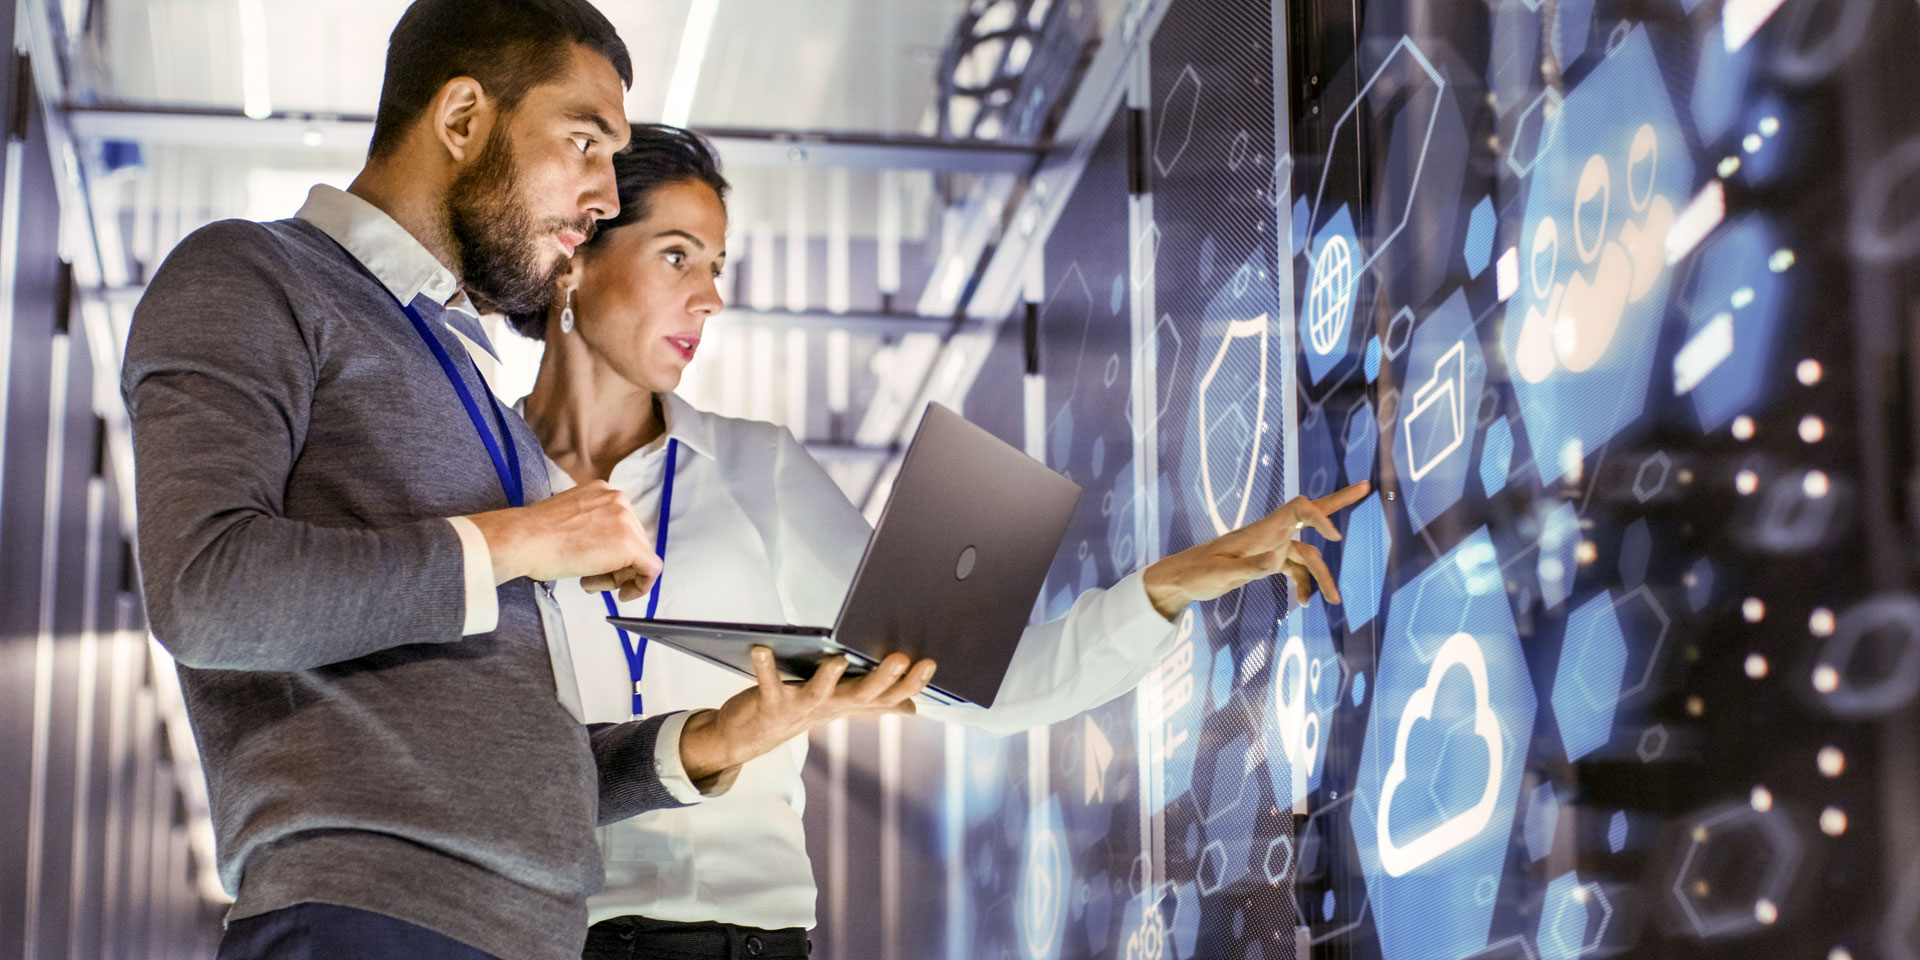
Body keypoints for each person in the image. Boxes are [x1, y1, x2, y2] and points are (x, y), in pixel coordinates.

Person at [120, 5, 931, 960]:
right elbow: (208, 592)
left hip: (528, 935)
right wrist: (522, 539)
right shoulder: (255, 273)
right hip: (367, 918)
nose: (600, 194)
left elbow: (511, 764)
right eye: (585, 143)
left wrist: (710, 739)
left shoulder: (462, 373)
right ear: (462, 119)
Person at [508, 124, 1371, 960]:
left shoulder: (753, 468)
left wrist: (1174, 583)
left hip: (748, 942)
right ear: (577, 252)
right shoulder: (481, 495)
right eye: (677, 255)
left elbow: (985, 687)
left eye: (718, 266)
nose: (712, 296)